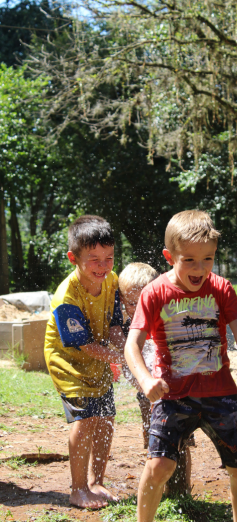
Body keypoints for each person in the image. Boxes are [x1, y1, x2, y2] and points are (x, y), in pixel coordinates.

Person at [125, 210, 237, 522]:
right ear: (170, 257)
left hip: (219, 393)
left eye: (208, 259)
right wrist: (145, 380)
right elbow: (132, 345)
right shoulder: (155, 293)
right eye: (190, 260)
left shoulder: (221, 288)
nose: (200, 268)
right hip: (172, 396)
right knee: (159, 467)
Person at [43, 215, 125, 509]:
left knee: (105, 417)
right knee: (85, 419)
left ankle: (96, 482)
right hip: (68, 363)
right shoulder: (66, 296)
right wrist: (121, 358)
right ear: (73, 258)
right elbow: (86, 345)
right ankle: (77, 488)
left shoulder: (112, 281)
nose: (103, 267)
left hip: (97, 360)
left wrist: (125, 350)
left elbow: (115, 326)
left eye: (109, 258)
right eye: (94, 259)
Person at [118, 262, 193, 497]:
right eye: (132, 303)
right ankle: (157, 491)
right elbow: (131, 359)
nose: (139, 307)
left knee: (183, 443)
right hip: (147, 394)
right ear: (122, 301)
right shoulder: (130, 326)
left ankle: (181, 491)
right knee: (153, 442)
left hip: (179, 393)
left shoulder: (169, 316)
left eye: (144, 300)